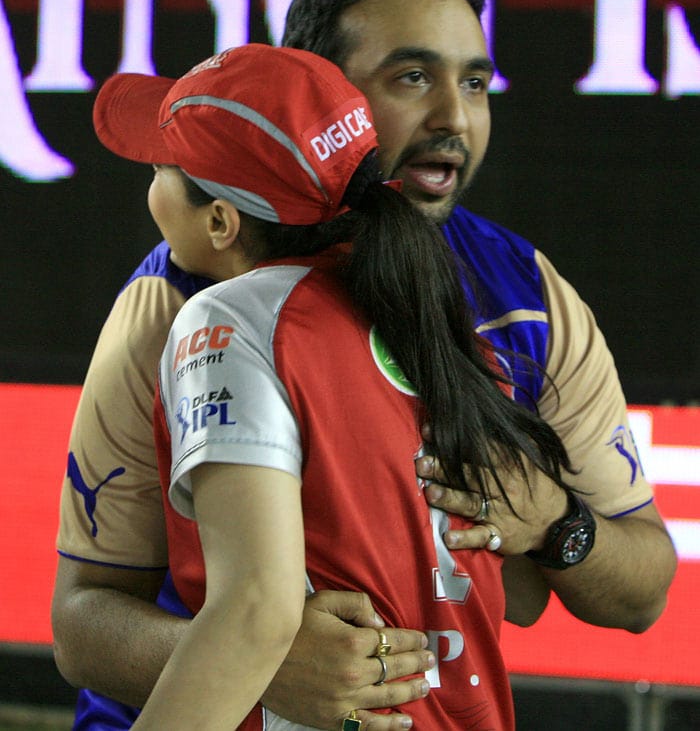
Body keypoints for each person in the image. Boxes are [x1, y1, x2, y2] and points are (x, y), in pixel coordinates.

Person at [52, 0, 676, 730]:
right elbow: (87, 623)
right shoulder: (174, 302)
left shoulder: (521, 297)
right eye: (412, 76)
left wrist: (559, 522)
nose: (453, 116)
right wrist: (259, 664)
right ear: (317, 93)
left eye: (476, 82)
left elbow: (620, 591)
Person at [90, 42, 572, 730]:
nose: (150, 184)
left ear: (220, 220)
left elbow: (256, 609)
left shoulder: (227, 319)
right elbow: (517, 594)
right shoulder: (433, 312)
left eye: (163, 166)